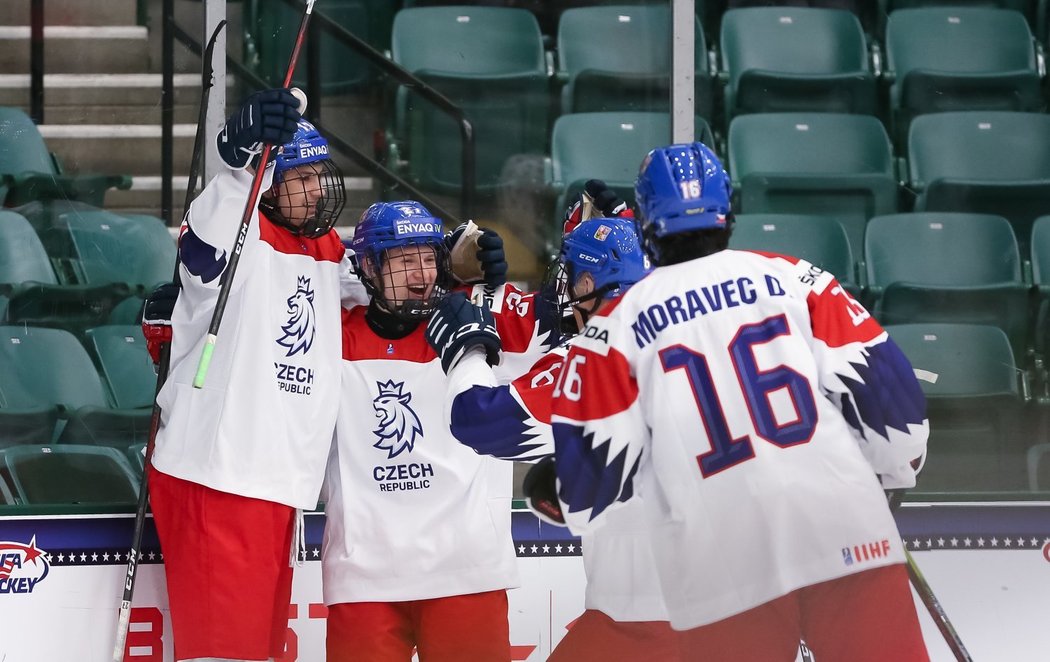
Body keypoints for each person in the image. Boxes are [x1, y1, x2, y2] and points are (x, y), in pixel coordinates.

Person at [548, 142, 931, 661]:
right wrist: (889, 480)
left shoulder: (613, 328)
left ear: (645, 226)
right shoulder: (799, 279)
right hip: (844, 531)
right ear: (727, 208)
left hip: (721, 565)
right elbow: (901, 423)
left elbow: (585, 496)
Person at [144, 87, 363, 662]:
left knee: (260, 654)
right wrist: (238, 162)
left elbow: (375, 284)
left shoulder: (320, 246)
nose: (317, 189)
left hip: (273, 486)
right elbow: (205, 252)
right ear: (269, 182)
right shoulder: (241, 235)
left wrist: (450, 260)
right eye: (302, 177)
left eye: (321, 175)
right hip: (219, 479)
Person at [426, 214, 694, 661]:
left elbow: (480, 421)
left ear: (589, 279)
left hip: (645, 619)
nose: (563, 291)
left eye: (572, 277)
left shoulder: (596, 357)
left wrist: (468, 352)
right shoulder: (708, 333)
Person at [322, 200, 552, 662]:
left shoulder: (472, 324)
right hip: (363, 577)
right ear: (367, 265)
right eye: (405, 260)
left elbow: (559, 325)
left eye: (429, 259)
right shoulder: (330, 333)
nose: (420, 274)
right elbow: (299, 283)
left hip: (464, 572)